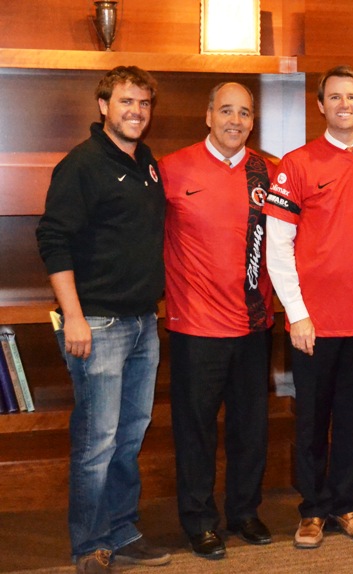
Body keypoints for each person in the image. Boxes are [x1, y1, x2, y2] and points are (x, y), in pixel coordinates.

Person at [264, 65, 353, 549]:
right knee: (311, 420)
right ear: (320, 106)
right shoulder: (296, 163)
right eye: (334, 97)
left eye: (352, 96)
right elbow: (278, 246)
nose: (344, 104)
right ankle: (312, 511)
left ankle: (344, 504)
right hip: (314, 322)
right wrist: (296, 314)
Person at [36, 65, 171, 574]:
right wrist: (73, 317)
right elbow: (53, 240)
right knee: (96, 443)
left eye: (143, 103)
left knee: (130, 435)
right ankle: (89, 546)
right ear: (103, 106)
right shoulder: (83, 165)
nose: (136, 111)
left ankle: (121, 531)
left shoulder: (145, 162)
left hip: (142, 323)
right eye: (125, 102)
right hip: (98, 326)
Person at [161, 82, 276, 559]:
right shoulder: (170, 169)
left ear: (253, 121)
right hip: (194, 328)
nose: (235, 120)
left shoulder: (269, 171)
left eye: (244, 113)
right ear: (207, 115)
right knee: (196, 430)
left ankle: (245, 512)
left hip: (254, 325)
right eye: (226, 110)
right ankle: (200, 520)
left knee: (250, 427)